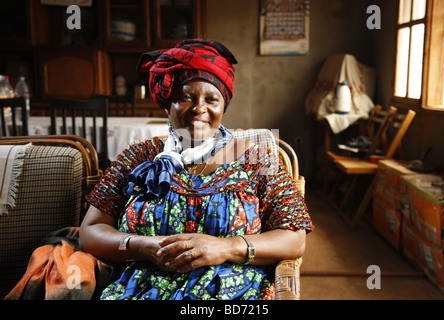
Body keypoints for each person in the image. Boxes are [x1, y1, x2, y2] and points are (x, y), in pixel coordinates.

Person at [79, 39, 314, 300]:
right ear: (167, 105)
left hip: (234, 293)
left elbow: (294, 238)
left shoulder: (257, 159)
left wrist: (226, 248)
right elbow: (90, 232)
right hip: (142, 291)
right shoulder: (138, 156)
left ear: (223, 105)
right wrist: (143, 246)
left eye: (211, 99)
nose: (199, 109)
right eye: (185, 97)